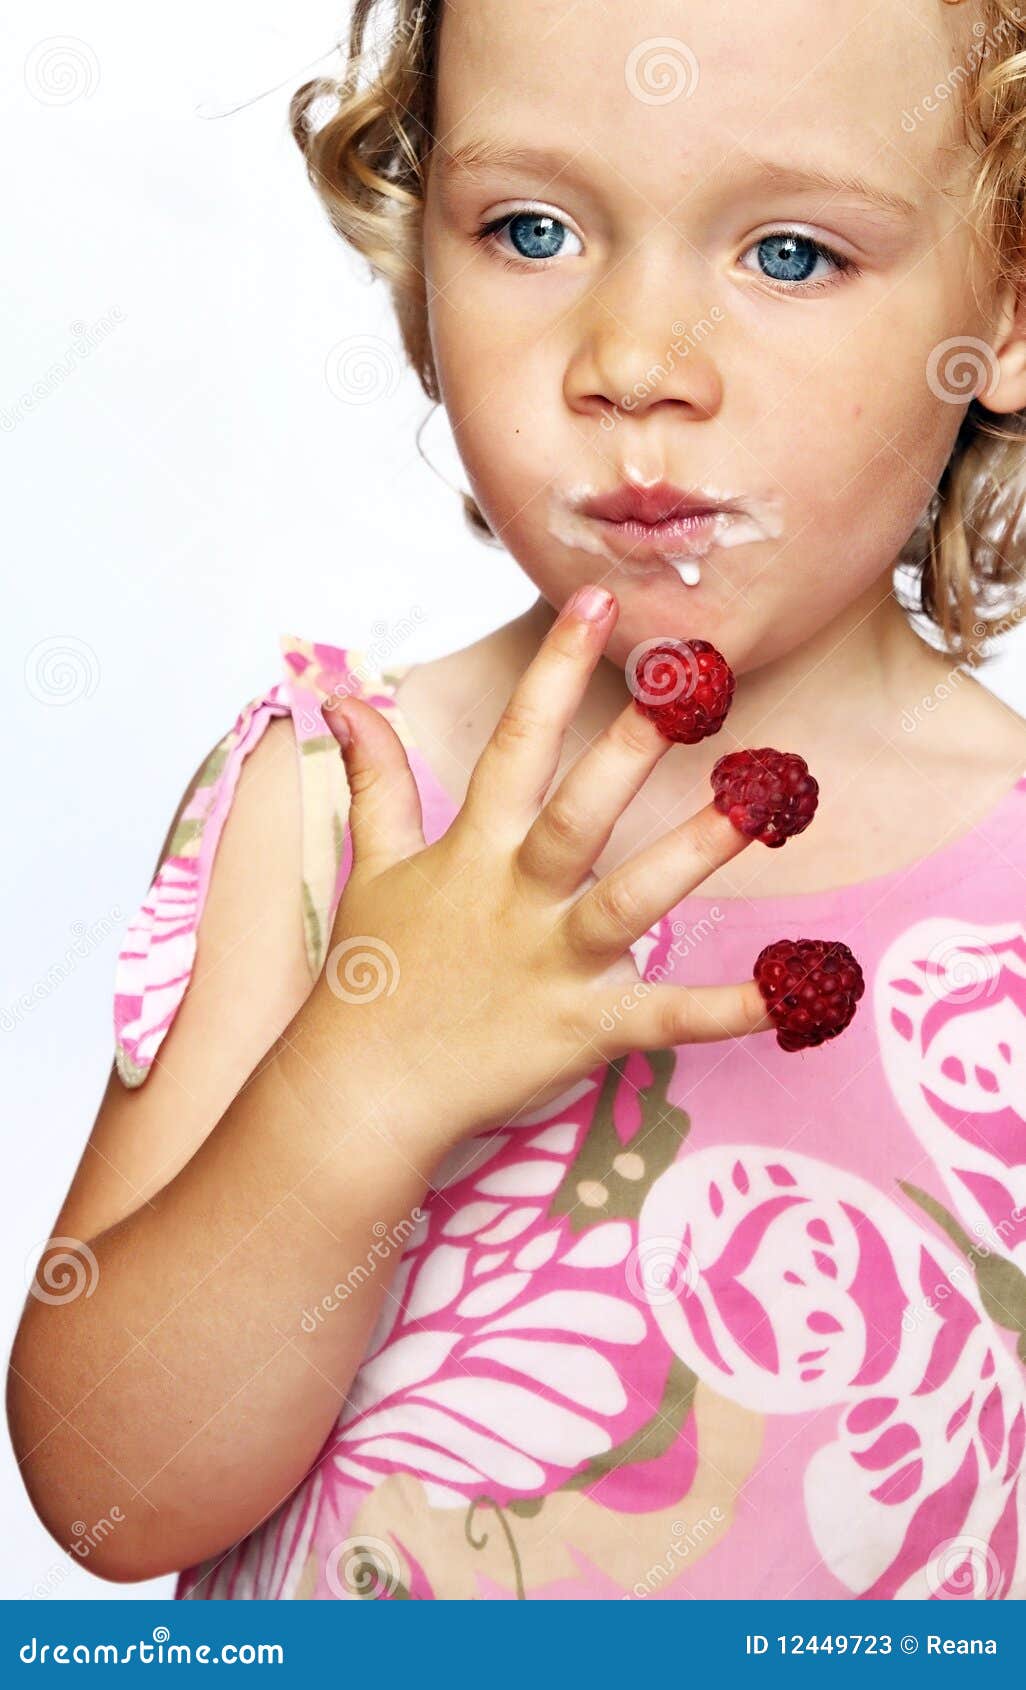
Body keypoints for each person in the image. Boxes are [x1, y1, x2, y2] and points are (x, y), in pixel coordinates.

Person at [10, 0, 1026, 1601]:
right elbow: (111, 1497)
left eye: (787, 254)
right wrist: (358, 1084)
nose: (632, 361)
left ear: (1010, 297)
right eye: (531, 227)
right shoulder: (338, 801)